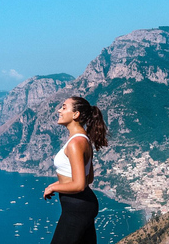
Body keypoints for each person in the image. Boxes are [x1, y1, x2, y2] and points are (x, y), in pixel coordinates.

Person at [43, 96, 108, 244]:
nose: (59, 110)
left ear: (75, 114)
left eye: (64, 107)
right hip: (82, 205)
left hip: (77, 207)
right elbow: (88, 178)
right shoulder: (83, 139)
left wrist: (53, 186)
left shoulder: (75, 143)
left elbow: (79, 185)